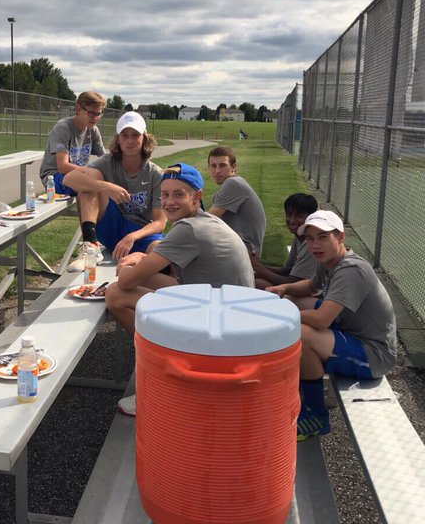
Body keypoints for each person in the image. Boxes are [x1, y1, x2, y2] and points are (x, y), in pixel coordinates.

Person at [108, 162, 254, 415]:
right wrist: (141, 259)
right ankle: (164, 357)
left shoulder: (188, 229)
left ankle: (161, 368)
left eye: (178, 194)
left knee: (115, 293)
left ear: (196, 197)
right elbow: (161, 258)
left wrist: (127, 267)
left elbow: (126, 283)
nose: (169, 202)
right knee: (148, 274)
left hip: (218, 327)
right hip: (229, 313)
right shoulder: (204, 220)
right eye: (165, 194)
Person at [268, 209, 398, 439]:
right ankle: (301, 386)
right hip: (349, 330)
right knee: (292, 301)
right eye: (310, 239)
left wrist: (282, 313)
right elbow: (311, 287)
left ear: (340, 237)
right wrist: (284, 289)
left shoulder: (352, 270)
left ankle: (315, 416)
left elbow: (322, 320)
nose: (315, 245)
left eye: (323, 237)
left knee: (300, 334)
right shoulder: (330, 260)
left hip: (374, 355)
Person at [60, 111, 166, 263]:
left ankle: (140, 269)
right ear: (118, 139)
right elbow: (68, 179)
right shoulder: (108, 162)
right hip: (112, 224)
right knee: (91, 177)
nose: (130, 140)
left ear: (144, 138)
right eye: (125, 135)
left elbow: (160, 222)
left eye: (135, 135)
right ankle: (90, 245)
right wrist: (106, 187)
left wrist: (132, 237)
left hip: (140, 231)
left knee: (162, 256)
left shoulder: (155, 173)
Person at [39, 92, 107, 269]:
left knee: (98, 183)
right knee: (91, 183)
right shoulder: (63, 128)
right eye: (91, 113)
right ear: (78, 109)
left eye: (98, 114)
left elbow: (105, 159)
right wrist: (91, 174)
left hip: (78, 177)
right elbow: (62, 166)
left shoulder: (93, 130)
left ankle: (94, 242)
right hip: (54, 178)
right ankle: (91, 242)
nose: (95, 118)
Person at [206, 145, 267, 257]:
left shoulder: (233, 184)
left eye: (222, 165)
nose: (217, 171)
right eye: (213, 166)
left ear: (233, 167)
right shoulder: (231, 184)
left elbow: (208, 220)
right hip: (236, 246)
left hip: (245, 251)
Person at [253, 192, 319, 289]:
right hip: (301, 287)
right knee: (258, 280)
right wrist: (257, 265)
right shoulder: (299, 236)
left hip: (317, 293)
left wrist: (260, 269)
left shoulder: (310, 244)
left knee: (260, 283)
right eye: (289, 214)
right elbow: (286, 271)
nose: (292, 220)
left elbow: (292, 282)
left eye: (299, 216)